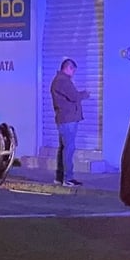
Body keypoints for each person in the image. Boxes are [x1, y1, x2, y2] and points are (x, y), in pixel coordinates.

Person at [50, 58, 90, 187]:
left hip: (65, 119)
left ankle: (60, 177)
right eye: (73, 71)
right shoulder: (63, 81)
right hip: (68, 120)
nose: (74, 74)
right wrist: (84, 94)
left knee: (64, 148)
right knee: (69, 148)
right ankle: (68, 178)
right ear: (68, 68)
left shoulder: (60, 80)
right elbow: (74, 96)